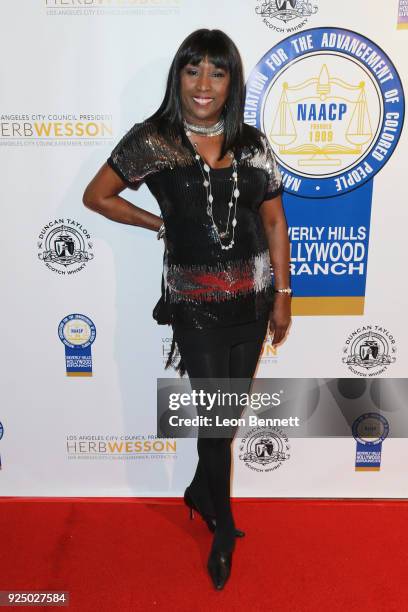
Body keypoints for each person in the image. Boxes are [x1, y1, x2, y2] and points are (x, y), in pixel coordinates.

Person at [83, 28, 291, 591]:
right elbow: (96, 196)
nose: (204, 84)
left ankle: (203, 492)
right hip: (194, 306)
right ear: (178, 76)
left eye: (217, 72)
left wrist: (282, 295)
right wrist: (158, 223)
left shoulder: (251, 142)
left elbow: (273, 220)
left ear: (232, 81)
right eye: (193, 70)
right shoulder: (154, 140)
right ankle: (222, 524)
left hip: (253, 300)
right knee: (217, 418)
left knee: (227, 415)